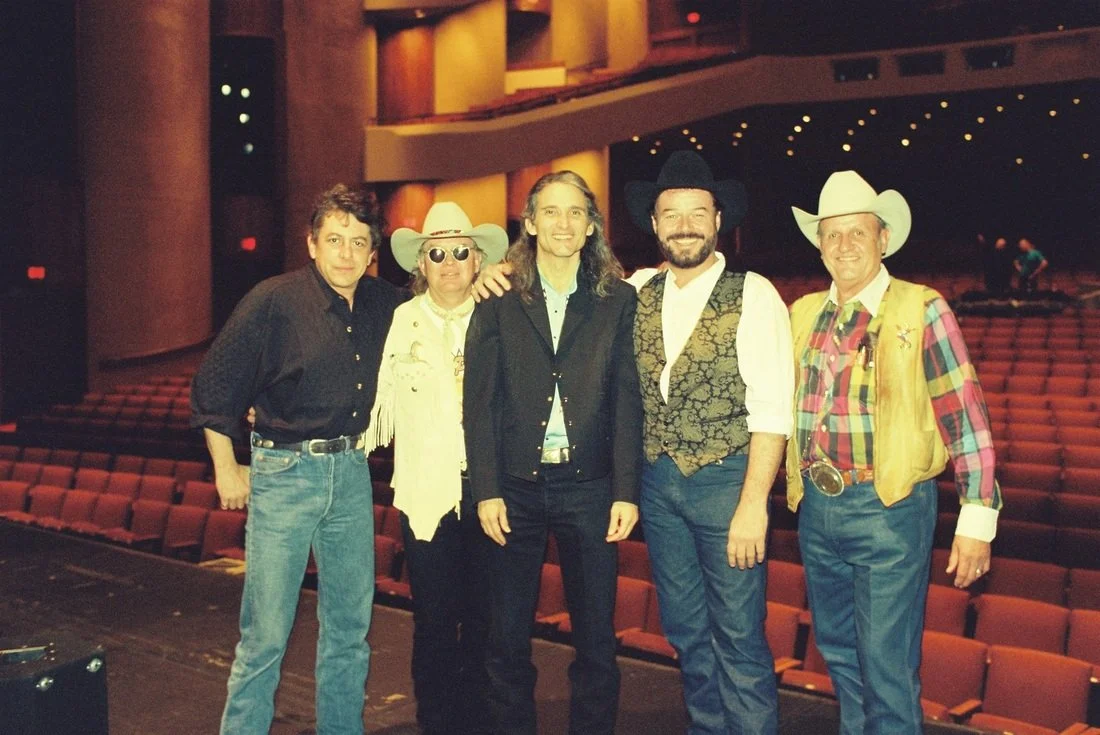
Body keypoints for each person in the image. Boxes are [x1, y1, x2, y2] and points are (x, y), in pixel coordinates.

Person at [787, 170, 1001, 733]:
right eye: (832, 234)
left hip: (890, 509)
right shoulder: (803, 313)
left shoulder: (923, 308)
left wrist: (977, 518)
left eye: (859, 232)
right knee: (839, 654)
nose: (845, 245)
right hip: (817, 506)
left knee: (885, 665)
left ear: (884, 239)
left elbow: (965, 415)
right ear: (819, 243)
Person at [191, 184, 405, 735]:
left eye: (358, 242)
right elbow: (216, 384)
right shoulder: (274, 299)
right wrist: (225, 466)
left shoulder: (386, 303)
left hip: (352, 474)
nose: (345, 253)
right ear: (312, 244)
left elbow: (446, 303)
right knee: (265, 633)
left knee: (349, 629)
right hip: (285, 473)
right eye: (334, 240)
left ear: (372, 250)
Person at [463, 171, 643, 735]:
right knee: (507, 636)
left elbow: (627, 399)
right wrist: (487, 488)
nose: (563, 223)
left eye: (576, 213)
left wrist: (625, 491)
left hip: (590, 488)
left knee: (595, 641)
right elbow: (480, 400)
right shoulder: (498, 295)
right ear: (532, 222)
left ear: (590, 226)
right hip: (514, 487)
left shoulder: (618, 299)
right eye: (551, 211)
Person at [623, 150, 793, 734]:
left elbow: (774, 409)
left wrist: (753, 506)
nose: (685, 223)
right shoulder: (637, 288)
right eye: (672, 213)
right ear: (654, 224)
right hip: (659, 486)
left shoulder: (755, 294)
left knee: (740, 635)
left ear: (719, 221)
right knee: (688, 632)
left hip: (728, 485)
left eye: (698, 211)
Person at [366, 202, 507, 735]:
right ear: (421, 264)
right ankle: (437, 722)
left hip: (491, 493)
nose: (449, 262)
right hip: (426, 494)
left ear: (478, 260)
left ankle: (477, 721)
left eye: (460, 252)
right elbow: (374, 399)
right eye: (437, 253)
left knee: (485, 620)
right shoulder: (402, 320)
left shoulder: (501, 315)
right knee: (433, 621)